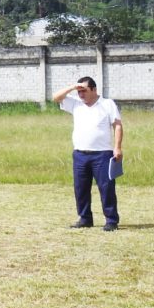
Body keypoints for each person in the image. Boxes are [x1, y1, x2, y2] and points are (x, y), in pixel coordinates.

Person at [53, 77, 123, 231]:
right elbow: (56, 97)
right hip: (80, 154)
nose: (81, 94)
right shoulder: (75, 104)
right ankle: (85, 218)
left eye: (84, 90)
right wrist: (72, 87)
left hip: (102, 154)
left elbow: (117, 125)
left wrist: (117, 147)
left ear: (94, 89)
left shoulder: (107, 104)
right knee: (81, 188)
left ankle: (111, 220)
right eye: (79, 91)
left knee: (106, 188)